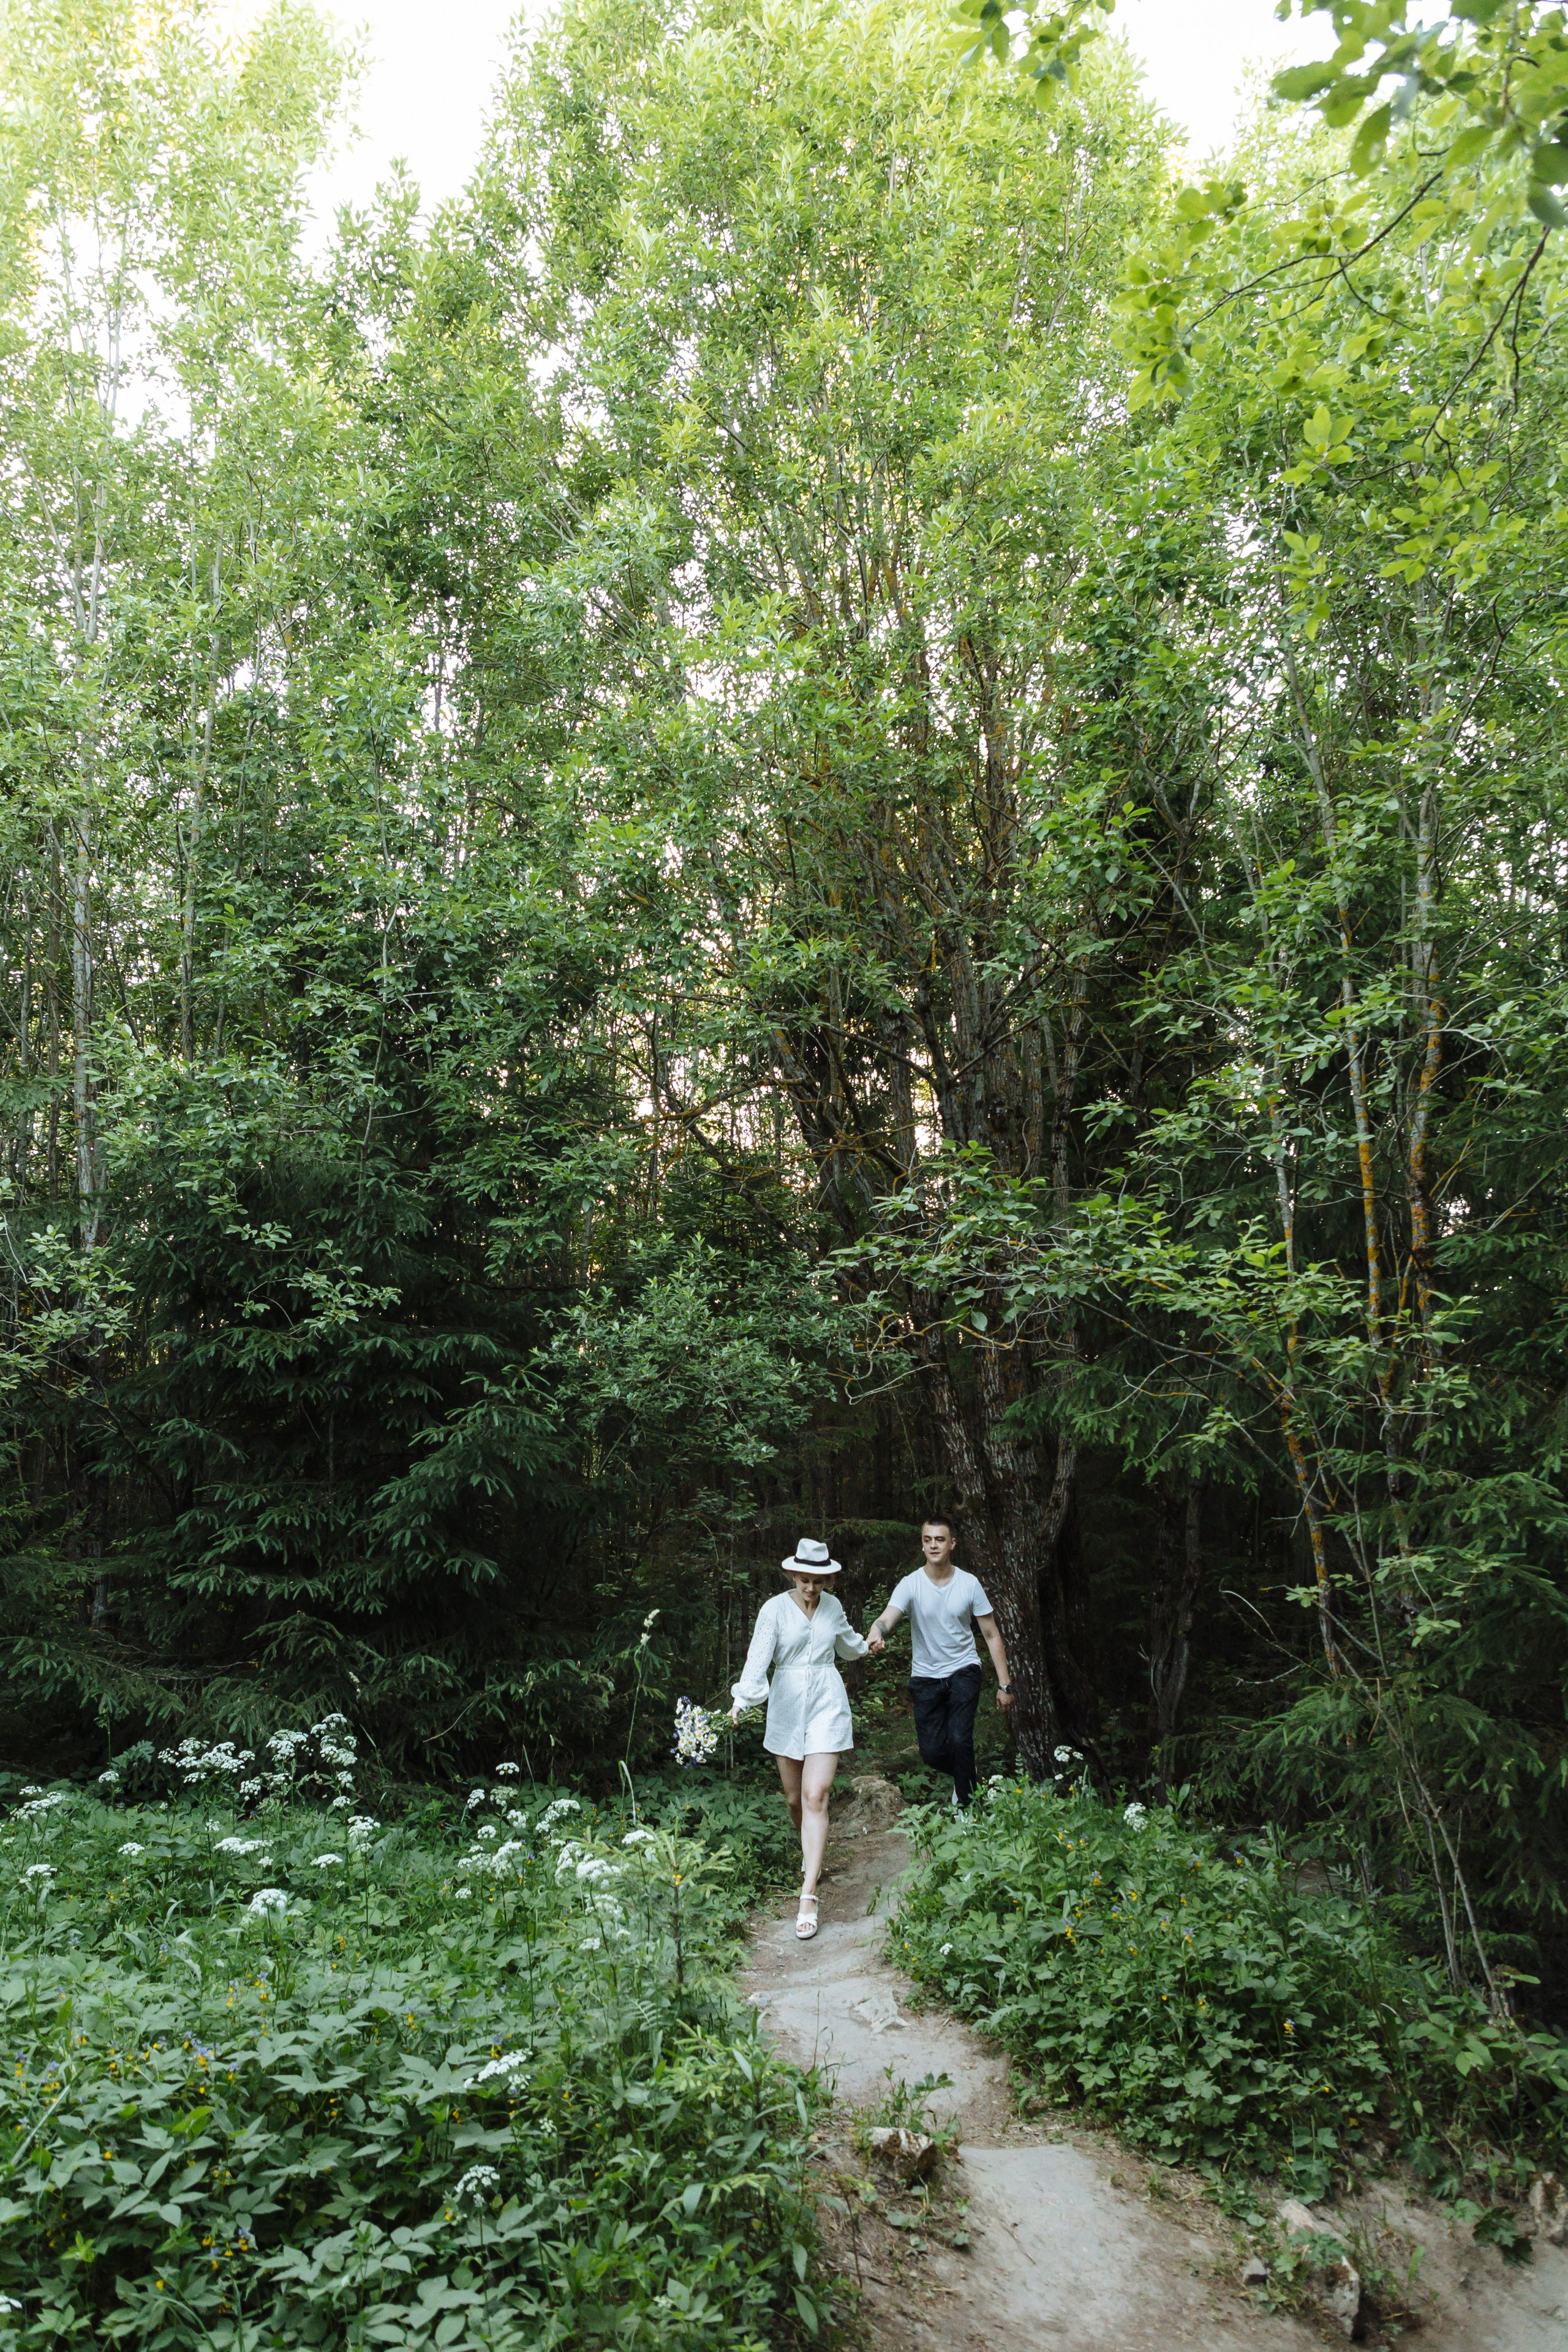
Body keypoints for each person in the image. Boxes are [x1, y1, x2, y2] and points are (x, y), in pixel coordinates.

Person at [730, 1536, 869, 1941]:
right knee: (795, 1800)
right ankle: (812, 1857)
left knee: (816, 1796)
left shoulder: (833, 1607)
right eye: (805, 1580)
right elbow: (758, 1659)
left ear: (827, 1580)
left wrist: (867, 1645)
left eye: (819, 1582)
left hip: (827, 1702)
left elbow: (846, 1645)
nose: (811, 1589)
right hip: (788, 1709)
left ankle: (808, 1894)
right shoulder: (773, 1610)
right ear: (793, 1574)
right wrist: (742, 1701)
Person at [866, 1515, 1012, 1806]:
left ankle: (968, 1812)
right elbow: (887, 1618)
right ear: (922, 1545)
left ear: (952, 1544)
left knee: (959, 1739)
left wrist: (1004, 1685)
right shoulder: (911, 1584)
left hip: (964, 1668)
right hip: (926, 1676)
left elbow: (991, 1634)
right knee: (932, 1753)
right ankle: (969, 1779)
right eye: (928, 1540)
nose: (934, 1546)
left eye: (940, 1539)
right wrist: (876, 1632)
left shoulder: (969, 1584)